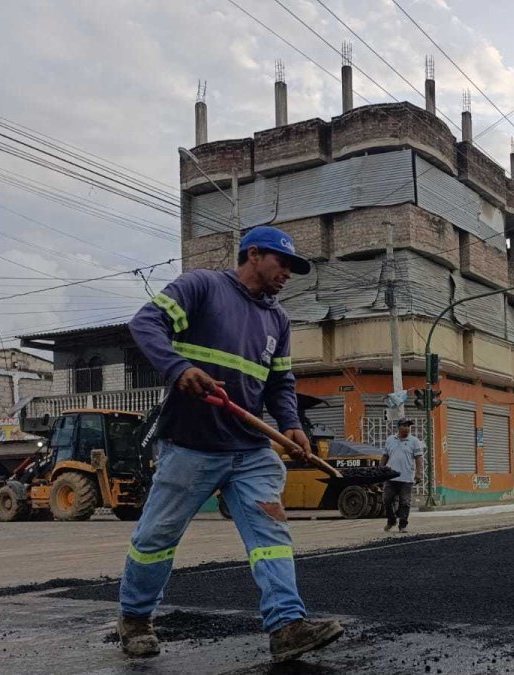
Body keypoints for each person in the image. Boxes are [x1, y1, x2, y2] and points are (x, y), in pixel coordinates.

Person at [120, 226, 342, 662]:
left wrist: (291, 423)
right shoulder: (202, 286)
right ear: (253, 254)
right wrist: (178, 367)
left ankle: (286, 626)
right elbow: (145, 322)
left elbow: (279, 381)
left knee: (271, 534)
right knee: (157, 537)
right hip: (190, 443)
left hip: (250, 448)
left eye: (292, 269)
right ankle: (135, 618)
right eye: (283, 264)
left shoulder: (276, 318)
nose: (287, 275)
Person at [382, 418, 425, 533]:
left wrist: (419, 473)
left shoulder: (414, 441)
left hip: (406, 478)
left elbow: (419, 458)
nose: (407, 428)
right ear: (399, 427)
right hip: (390, 477)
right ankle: (391, 520)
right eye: (404, 425)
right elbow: (385, 456)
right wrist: (380, 470)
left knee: (405, 502)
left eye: (408, 426)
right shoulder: (390, 440)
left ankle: (403, 525)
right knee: (386, 499)